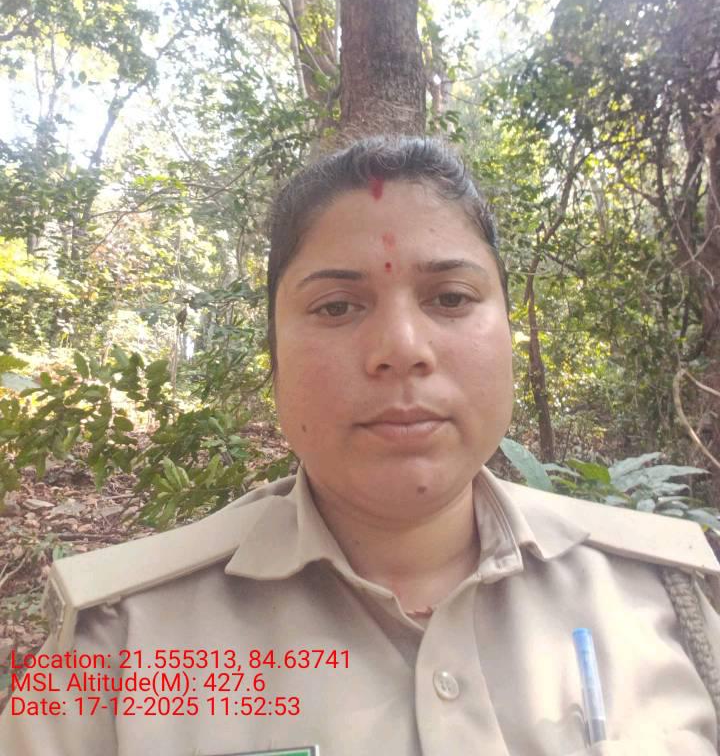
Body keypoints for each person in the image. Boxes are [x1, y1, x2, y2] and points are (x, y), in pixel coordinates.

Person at [2, 134, 720, 756]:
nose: (401, 348)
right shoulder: (121, 642)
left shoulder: (665, 598)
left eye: (450, 298)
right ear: (274, 358)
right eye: (337, 306)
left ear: (510, 332)